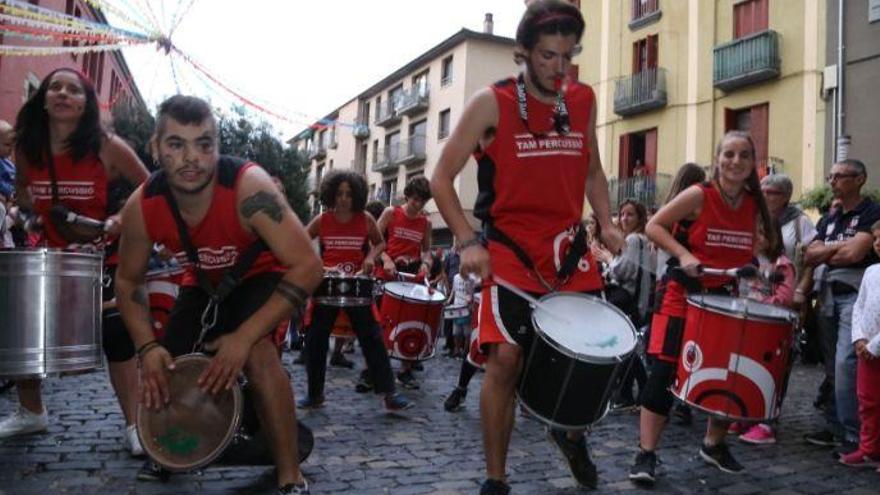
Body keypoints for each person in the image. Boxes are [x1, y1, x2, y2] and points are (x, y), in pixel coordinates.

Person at [431, 2, 624, 492]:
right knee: (506, 360)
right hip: (510, 253)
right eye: (547, 56)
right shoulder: (490, 103)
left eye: (568, 56)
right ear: (523, 53)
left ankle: (570, 432)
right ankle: (496, 478)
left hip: (568, 253)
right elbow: (441, 178)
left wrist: (606, 220)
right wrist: (467, 239)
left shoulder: (582, 99)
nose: (559, 68)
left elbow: (593, 169)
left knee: (583, 357)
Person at [114, 95, 322, 494]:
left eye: (204, 144)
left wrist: (242, 339)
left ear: (217, 149)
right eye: (176, 144)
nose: (192, 157)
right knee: (166, 366)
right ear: (155, 149)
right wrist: (146, 348)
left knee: (259, 353)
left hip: (262, 275)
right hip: (203, 281)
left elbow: (309, 266)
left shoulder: (250, 188)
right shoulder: (141, 206)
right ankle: (169, 452)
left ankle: (290, 474)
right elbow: (127, 283)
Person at [0, 69, 149, 454]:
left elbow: (151, 186)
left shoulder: (107, 146)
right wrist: (28, 216)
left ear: (86, 103)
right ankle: (32, 413)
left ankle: (135, 425)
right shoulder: (28, 148)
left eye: (73, 89)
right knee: (21, 327)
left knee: (117, 333)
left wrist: (119, 221)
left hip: (104, 254)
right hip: (51, 252)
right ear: (44, 100)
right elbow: (24, 196)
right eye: (55, 87)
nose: (63, 93)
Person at [629, 131, 777, 485]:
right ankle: (645, 454)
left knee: (728, 373)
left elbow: (758, 245)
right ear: (717, 159)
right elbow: (653, 225)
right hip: (681, 293)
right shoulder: (699, 195)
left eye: (744, 155)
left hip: (724, 297)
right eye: (729, 154)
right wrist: (683, 254)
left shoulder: (754, 204)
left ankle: (714, 444)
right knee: (664, 373)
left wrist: (756, 265)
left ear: (752, 162)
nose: (736, 161)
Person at [297, 169, 411, 411]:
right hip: (327, 286)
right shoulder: (322, 220)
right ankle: (314, 394)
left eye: (349, 194)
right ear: (331, 195)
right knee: (316, 341)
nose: (344, 199)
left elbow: (380, 242)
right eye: (339, 193)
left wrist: (371, 257)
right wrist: (319, 265)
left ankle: (389, 394)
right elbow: (299, 241)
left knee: (373, 339)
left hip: (358, 287)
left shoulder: (366, 219)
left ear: (357, 195)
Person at [803, 159, 880, 455]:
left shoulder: (871, 212)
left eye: (839, 176)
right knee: (833, 367)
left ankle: (856, 434)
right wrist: (832, 252)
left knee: (847, 363)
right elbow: (810, 254)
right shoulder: (829, 217)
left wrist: (825, 252)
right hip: (828, 295)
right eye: (830, 176)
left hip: (855, 295)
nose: (832, 181)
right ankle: (837, 425)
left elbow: (856, 253)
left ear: (859, 179)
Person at [728, 217, 796, 444]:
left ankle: (766, 422)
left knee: (769, 374)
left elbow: (784, 299)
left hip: (770, 330)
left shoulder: (781, 264)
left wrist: (759, 303)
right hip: (747, 325)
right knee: (745, 371)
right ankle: (747, 414)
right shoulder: (749, 262)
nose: (756, 238)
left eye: (762, 233)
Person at [374, 175, 434, 389]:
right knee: (382, 321)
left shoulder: (425, 223)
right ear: (407, 196)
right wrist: (386, 258)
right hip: (387, 273)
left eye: (423, 201)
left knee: (412, 321)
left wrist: (426, 265)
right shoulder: (391, 213)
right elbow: (374, 240)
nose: (418, 204)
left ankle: (405, 370)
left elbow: (427, 251)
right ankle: (375, 368)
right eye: (415, 199)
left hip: (410, 275)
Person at [596, 199, 653, 410]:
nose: (624, 218)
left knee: (624, 348)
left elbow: (623, 270)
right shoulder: (639, 240)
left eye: (630, 215)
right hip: (636, 301)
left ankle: (630, 393)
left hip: (630, 301)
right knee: (627, 348)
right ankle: (633, 393)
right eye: (622, 214)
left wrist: (608, 259)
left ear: (639, 218)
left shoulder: (634, 240)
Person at [842, 220, 880, 467]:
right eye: (875, 239)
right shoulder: (871, 271)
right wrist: (859, 338)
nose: (877, 244)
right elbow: (859, 307)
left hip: (874, 349)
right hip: (866, 350)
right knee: (868, 400)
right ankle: (869, 448)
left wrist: (875, 346)